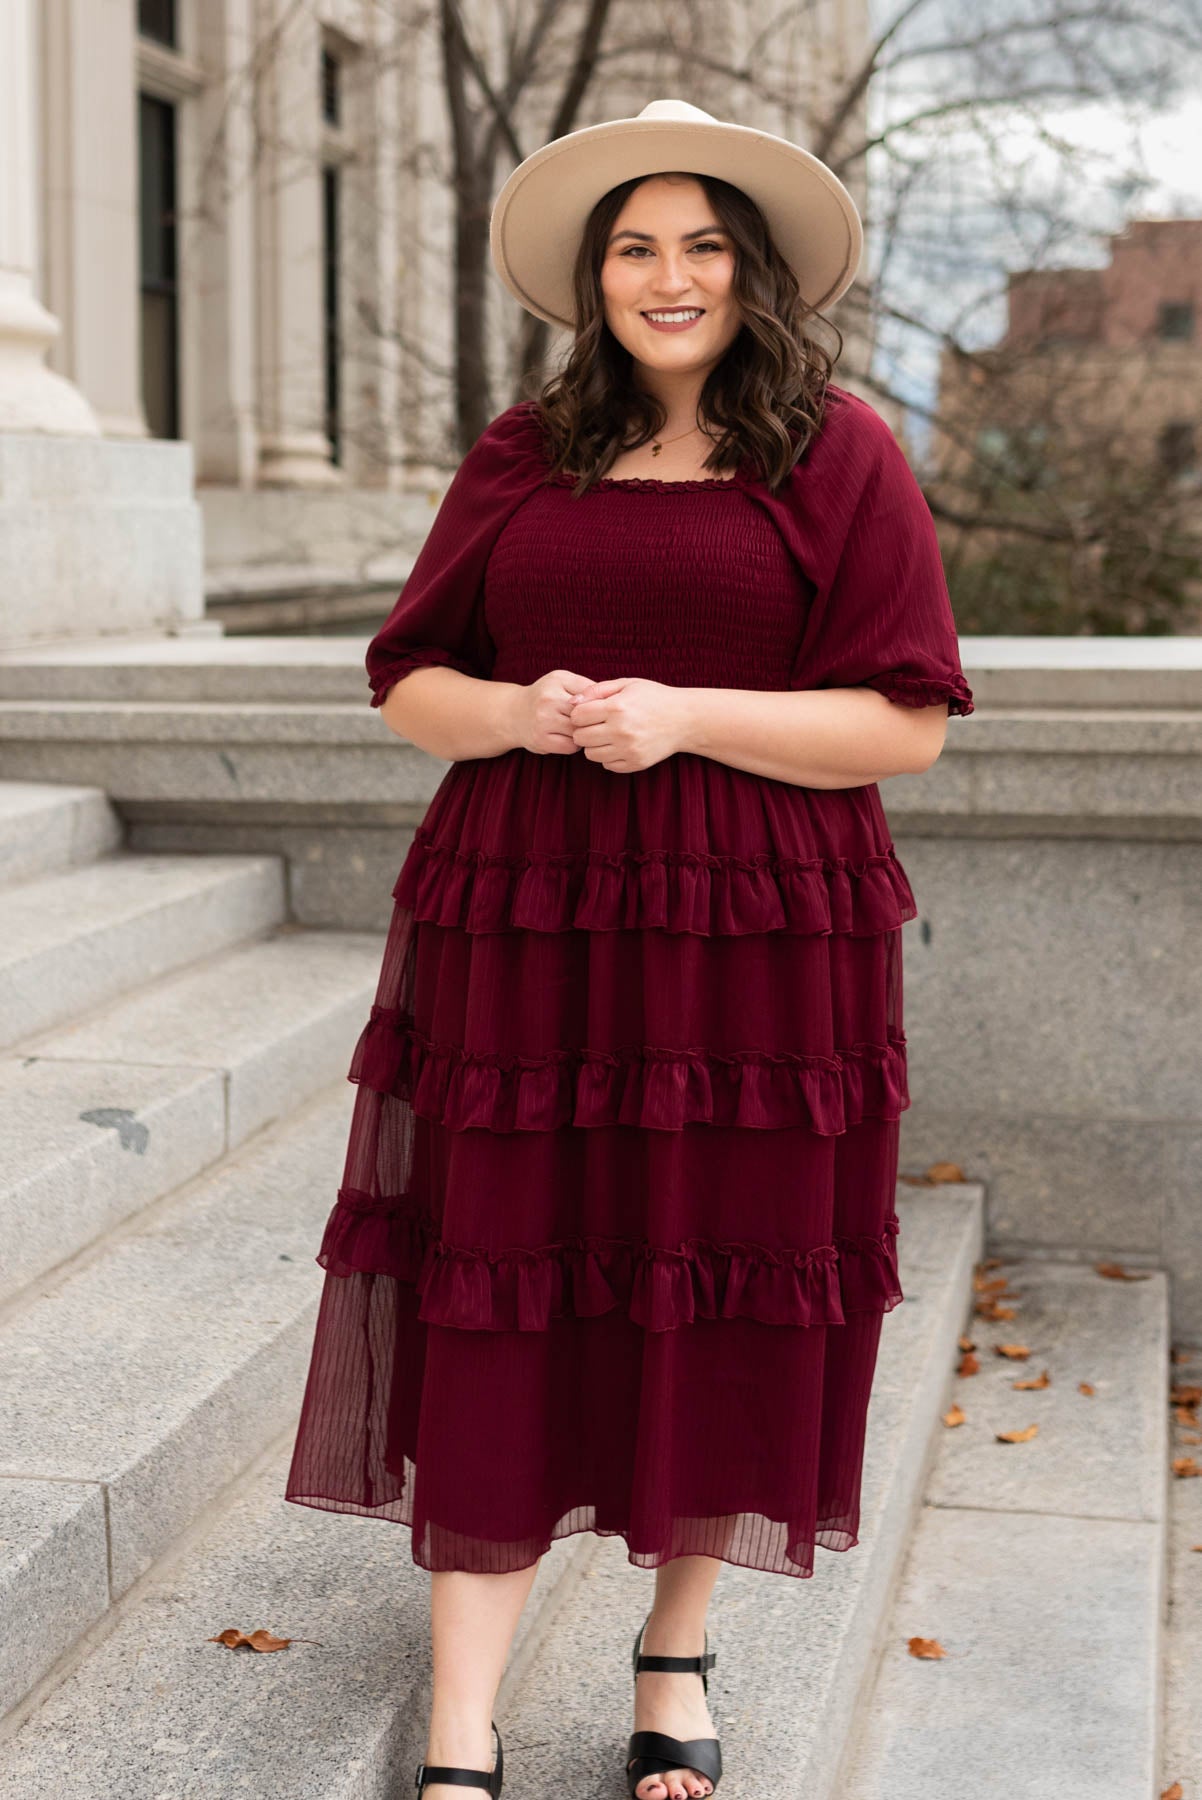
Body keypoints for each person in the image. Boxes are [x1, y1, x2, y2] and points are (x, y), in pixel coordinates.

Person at [284, 98, 975, 1800]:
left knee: (718, 1272)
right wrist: (521, 707)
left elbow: (905, 728)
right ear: (593, 279)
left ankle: (672, 1652)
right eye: (632, 249)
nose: (666, 278)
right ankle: (463, 1716)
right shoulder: (525, 452)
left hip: (756, 932)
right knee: (498, 1276)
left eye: (700, 247)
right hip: (524, 918)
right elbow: (407, 681)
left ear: (753, 274)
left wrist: (683, 720)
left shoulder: (841, 454)